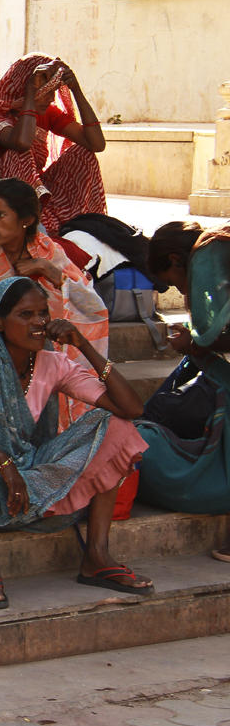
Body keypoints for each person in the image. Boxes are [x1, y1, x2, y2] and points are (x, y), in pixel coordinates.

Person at [0, 276, 152, 609]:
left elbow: (131, 408)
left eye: (43, 313)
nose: (39, 322)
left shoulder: (53, 363)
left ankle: (96, 555)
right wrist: (1, 460)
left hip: (24, 470)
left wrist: (82, 343)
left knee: (116, 427)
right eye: (26, 315)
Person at [0, 177, 108, 428]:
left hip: (37, 345)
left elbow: (89, 304)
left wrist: (45, 269)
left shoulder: (46, 251)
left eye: (0, 215)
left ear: (26, 220)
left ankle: (54, 423)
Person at [141, 221, 230, 563]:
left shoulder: (207, 260)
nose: (181, 288)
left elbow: (217, 333)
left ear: (177, 260)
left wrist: (194, 345)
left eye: (175, 281)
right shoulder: (217, 253)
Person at [0, 54, 107, 236]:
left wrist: (76, 89)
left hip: (36, 195)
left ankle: (80, 224)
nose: (52, 99)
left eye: (53, 92)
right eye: (46, 92)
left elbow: (96, 144)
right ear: (26, 89)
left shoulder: (47, 113)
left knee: (84, 153)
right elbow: (22, 142)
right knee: (18, 154)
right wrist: (31, 91)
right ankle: (34, 229)